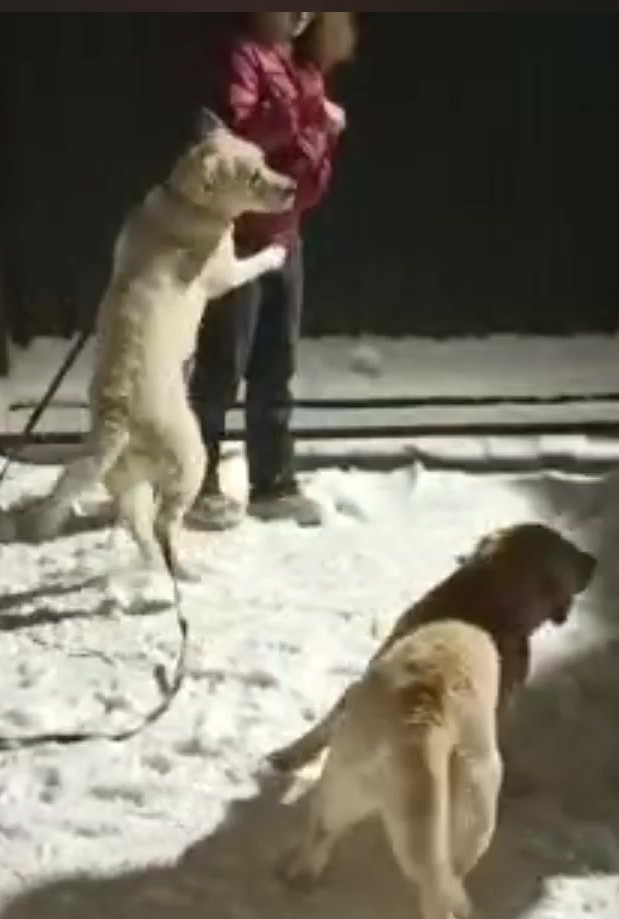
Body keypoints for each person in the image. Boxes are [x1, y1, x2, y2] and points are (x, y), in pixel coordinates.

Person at [186, 12, 356, 531]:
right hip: (236, 239)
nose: (299, 11)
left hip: (285, 237)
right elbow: (238, 140)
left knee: (275, 367)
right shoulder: (239, 55)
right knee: (220, 368)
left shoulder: (303, 66)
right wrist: (303, 115)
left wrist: (314, 143)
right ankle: (195, 483)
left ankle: (273, 480)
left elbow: (308, 164)